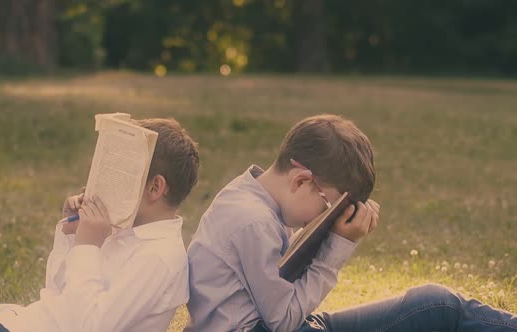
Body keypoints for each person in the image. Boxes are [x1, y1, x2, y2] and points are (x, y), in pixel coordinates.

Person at [185, 114, 517, 332]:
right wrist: (337, 248)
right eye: (328, 207)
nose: (321, 217)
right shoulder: (253, 222)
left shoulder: (249, 194)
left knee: (436, 304)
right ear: (301, 181)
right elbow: (282, 320)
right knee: (438, 306)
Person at [0, 118, 200, 332]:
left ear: (155, 187)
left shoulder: (159, 259)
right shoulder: (125, 229)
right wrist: (71, 238)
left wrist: (87, 247)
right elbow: (58, 293)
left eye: (120, 173)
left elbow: (88, 327)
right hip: (26, 320)